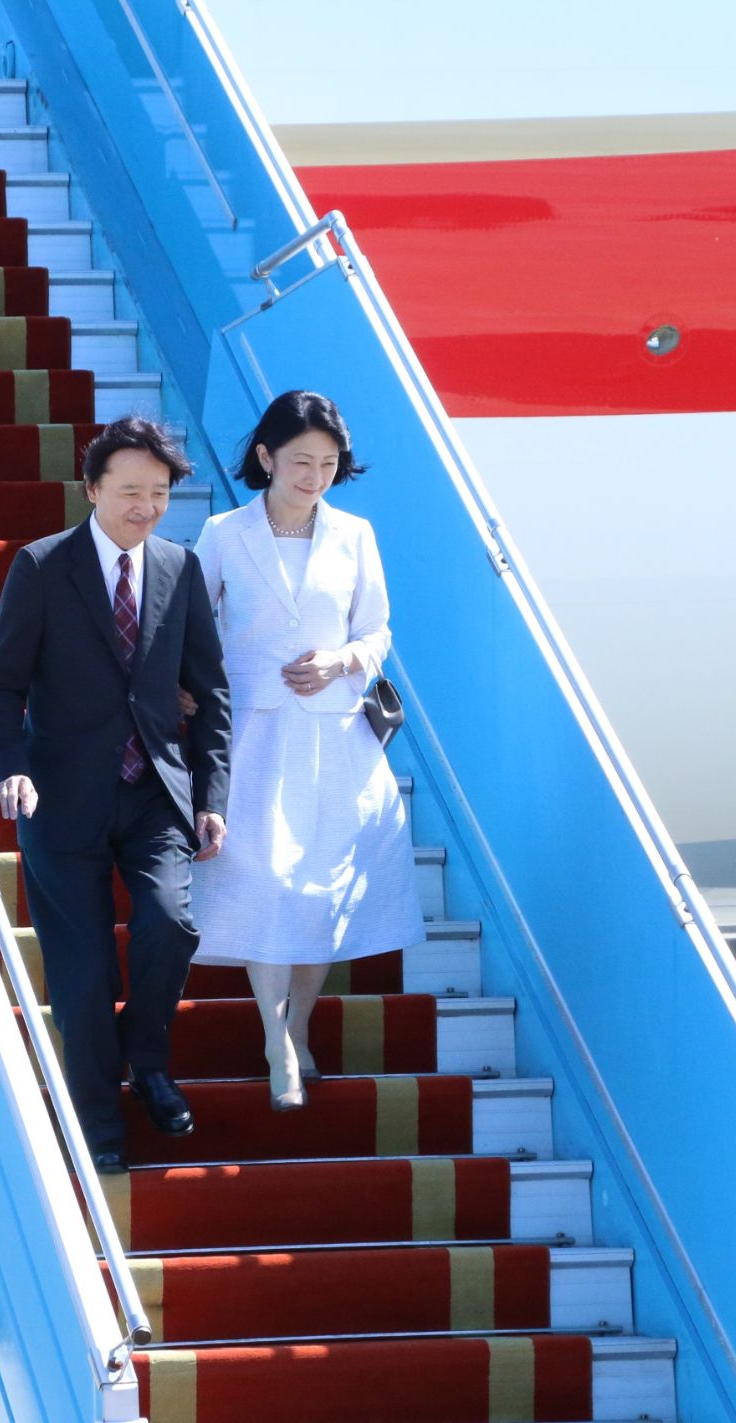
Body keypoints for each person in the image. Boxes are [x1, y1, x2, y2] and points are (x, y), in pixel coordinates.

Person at [0, 415, 232, 1174]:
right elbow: (0, 685)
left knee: (169, 922)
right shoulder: (42, 567)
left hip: (154, 788)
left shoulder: (179, 568)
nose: (145, 507)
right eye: (130, 491)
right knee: (84, 974)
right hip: (59, 799)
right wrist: (10, 766)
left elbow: (210, 690)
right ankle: (99, 1124)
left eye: (158, 493)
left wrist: (211, 791)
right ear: (92, 489)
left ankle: (147, 1061)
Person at [187, 390, 425, 1110]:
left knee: (321, 887)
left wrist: (342, 661)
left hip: (334, 730)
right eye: (300, 461)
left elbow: (377, 629)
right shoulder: (225, 532)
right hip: (252, 732)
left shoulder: (355, 534)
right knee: (267, 884)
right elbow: (191, 621)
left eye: (327, 463)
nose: (314, 475)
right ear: (265, 457)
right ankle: (273, 1035)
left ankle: (299, 1028)